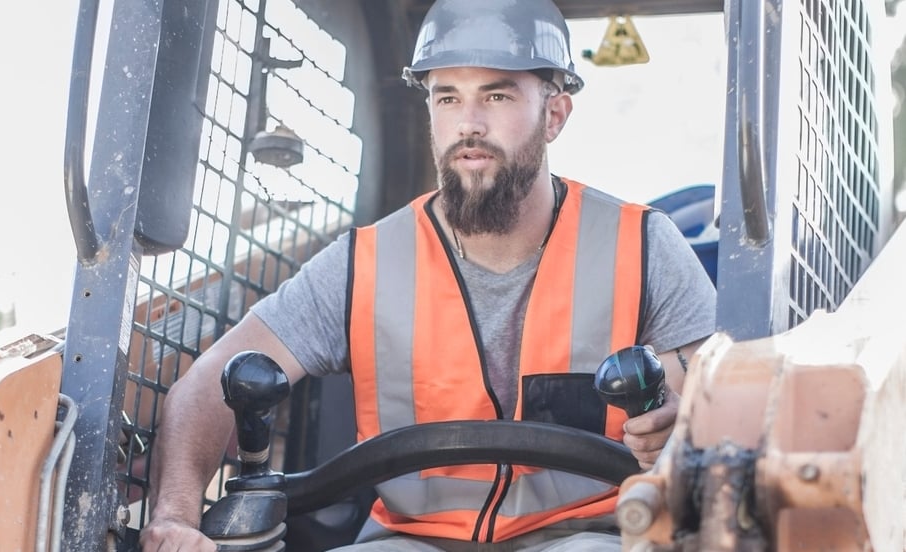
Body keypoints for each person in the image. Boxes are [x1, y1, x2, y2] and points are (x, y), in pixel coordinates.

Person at [141, 0, 716, 550]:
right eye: (447, 98)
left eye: (496, 95)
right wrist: (175, 518)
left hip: (592, 534)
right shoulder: (363, 264)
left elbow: (725, 388)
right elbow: (212, 382)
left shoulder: (641, 245)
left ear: (555, 114)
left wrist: (679, 410)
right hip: (408, 539)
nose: (468, 123)